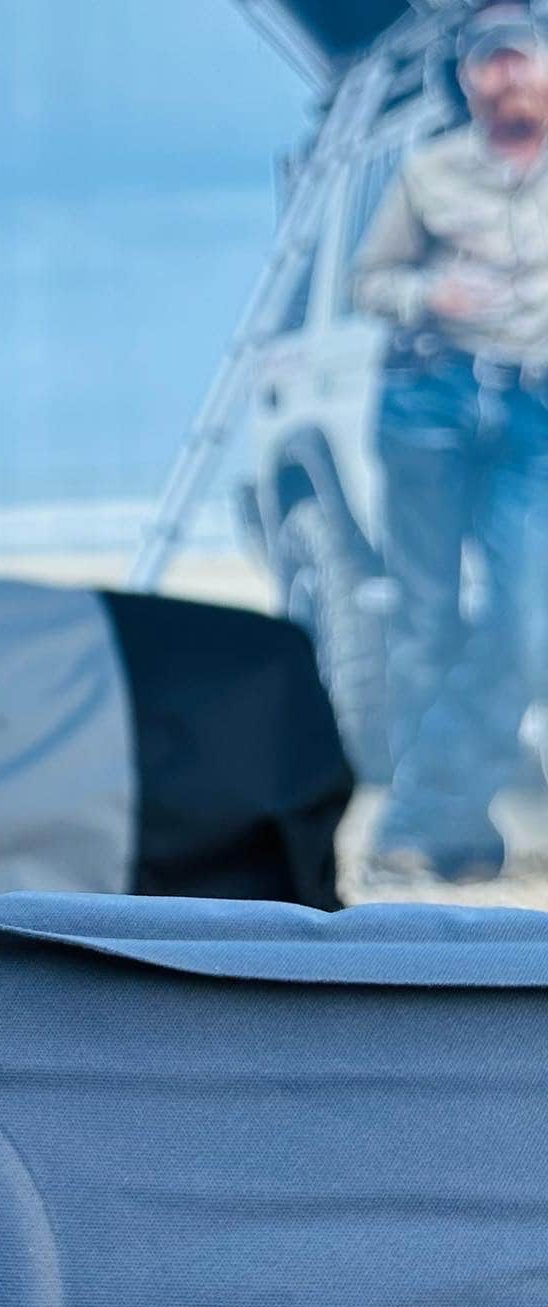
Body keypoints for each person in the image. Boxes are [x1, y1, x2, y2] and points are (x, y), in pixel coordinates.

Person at [354, 0, 548, 883]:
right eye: (486, 62)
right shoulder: (428, 171)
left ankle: (423, 814)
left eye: (518, 56)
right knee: (425, 616)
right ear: (466, 81)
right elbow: (368, 280)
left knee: (526, 616)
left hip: (534, 409)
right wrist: (427, 293)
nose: (504, 75)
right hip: (431, 399)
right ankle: (449, 833)